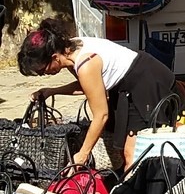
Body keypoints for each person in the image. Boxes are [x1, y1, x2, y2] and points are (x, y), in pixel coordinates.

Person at [16, 19, 174, 170]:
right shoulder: (69, 49)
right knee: (121, 150)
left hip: (144, 81)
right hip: (124, 85)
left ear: (54, 57)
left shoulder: (85, 63)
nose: (44, 74)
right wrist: (52, 91)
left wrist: (83, 153)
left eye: (43, 70)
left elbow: (101, 116)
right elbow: (90, 85)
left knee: (132, 154)